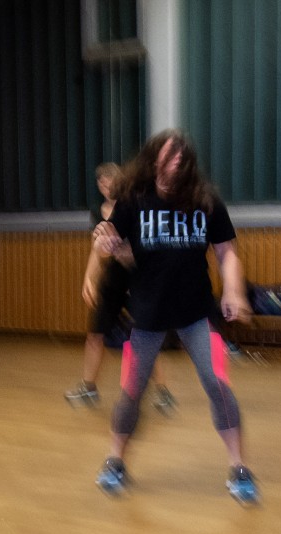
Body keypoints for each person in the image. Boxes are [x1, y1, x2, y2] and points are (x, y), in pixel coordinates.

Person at [90, 130, 257, 503]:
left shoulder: (205, 200)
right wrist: (106, 246)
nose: (173, 170)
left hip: (196, 313)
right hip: (146, 315)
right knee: (132, 391)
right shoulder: (134, 200)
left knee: (218, 385)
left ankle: (239, 469)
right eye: (167, 162)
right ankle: (115, 462)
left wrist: (232, 290)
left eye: (180, 164)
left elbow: (227, 253)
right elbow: (111, 243)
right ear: (153, 162)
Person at [66, 162, 174, 414]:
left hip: (138, 278)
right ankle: (89, 387)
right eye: (101, 182)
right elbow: (98, 248)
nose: (105, 186)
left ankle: (163, 392)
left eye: (109, 181)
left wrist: (132, 259)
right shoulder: (98, 212)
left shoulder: (135, 206)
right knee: (95, 333)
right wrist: (88, 279)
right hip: (113, 279)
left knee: (146, 335)